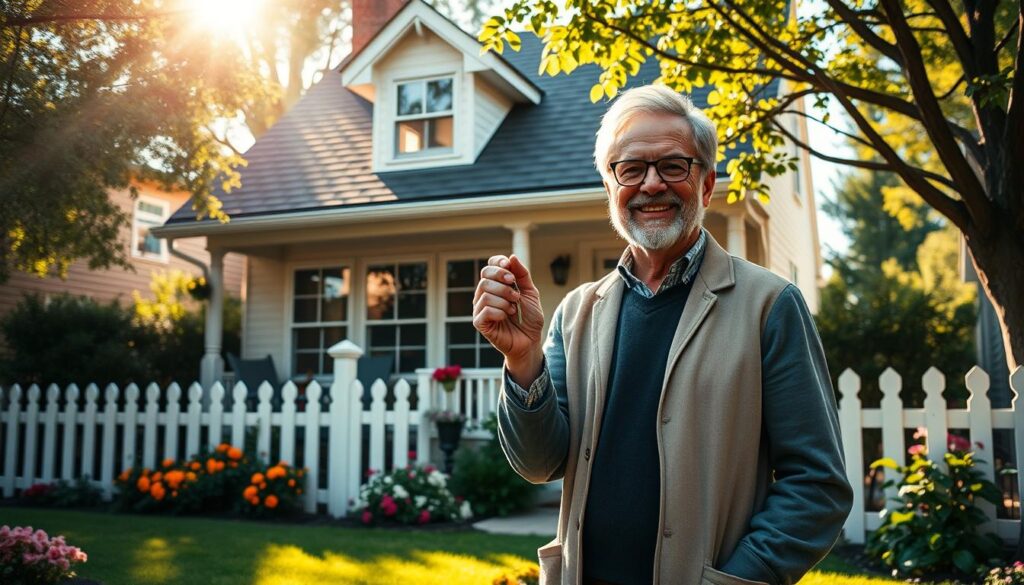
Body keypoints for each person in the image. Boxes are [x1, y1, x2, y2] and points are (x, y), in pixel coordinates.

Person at [472, 84, 853, 585]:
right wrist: (523, 361)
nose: (652, 184)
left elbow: (818, 487)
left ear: (707, 185)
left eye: (674, 166)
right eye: (631, 169)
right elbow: (540, 464)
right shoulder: (576, 313)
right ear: (611, 189)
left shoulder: (770, 305)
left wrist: (738, 578)